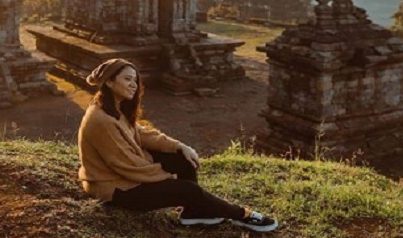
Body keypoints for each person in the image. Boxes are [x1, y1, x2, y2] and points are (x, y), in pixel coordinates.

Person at [78, 58, 278, 233]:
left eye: (136, 80)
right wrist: (167, 180)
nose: (134, 85)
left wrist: (180, 146)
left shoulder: (115, 108)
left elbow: (141, 133)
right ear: (110, 82)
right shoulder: (101, 119)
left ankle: (194, 212)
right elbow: (128, 165)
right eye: (127, 79)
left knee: (183, 159)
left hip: (126, 177)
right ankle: (243, 215)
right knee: (189, 190)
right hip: (115, 189)